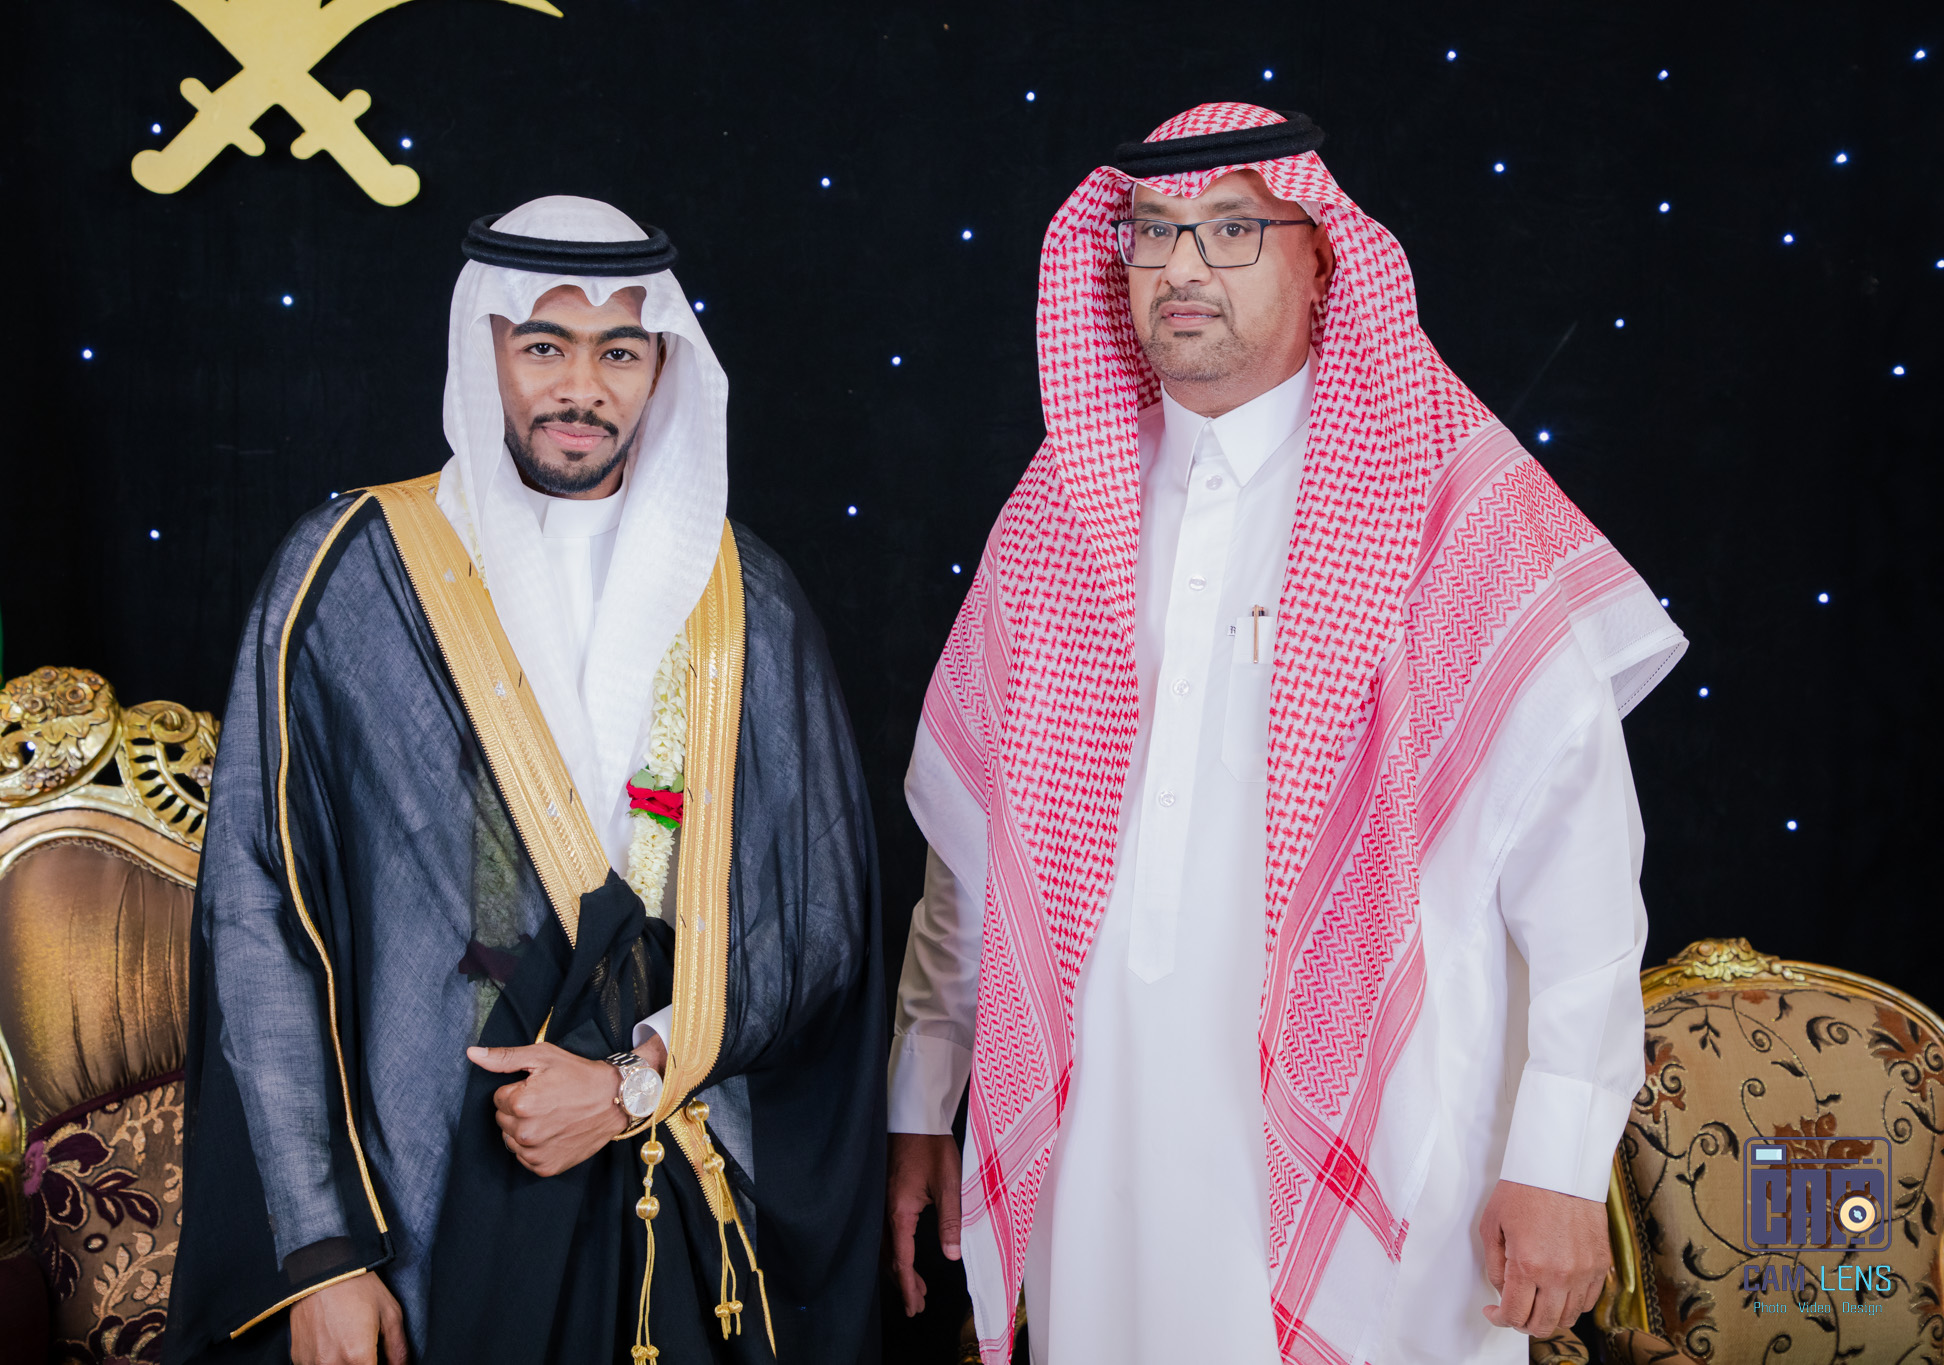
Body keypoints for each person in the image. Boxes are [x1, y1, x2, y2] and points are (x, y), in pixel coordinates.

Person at [884, 104, 1684, 1365]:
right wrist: (922, 1096)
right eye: (1153, 232)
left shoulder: (1450, 503)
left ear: (1321, 263)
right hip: (1098, 1144)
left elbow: (1578, 869)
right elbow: (976, 850)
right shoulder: (1057, 509)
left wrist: (1558, 1159)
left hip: (1385, 1138)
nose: (1181, 266)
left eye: (1230, 229)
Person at [170, 196, 883, 1365]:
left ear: (663, 365)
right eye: (544, 346)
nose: (580, 388)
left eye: (619, 352)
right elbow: (260, 912)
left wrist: (629, 1083)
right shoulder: (354, 574)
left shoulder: (742, 596)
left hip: (671, 1172)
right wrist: (322, 1251)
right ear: (485, 347)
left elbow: (816, 920)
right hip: (423, 1199)